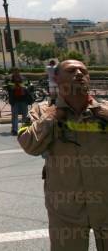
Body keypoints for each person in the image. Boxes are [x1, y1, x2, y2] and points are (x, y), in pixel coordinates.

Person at [18, 60, 108, 250]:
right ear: (56, 78)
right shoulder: (42, 111)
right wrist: (52, 116)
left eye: (83, 71)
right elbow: (28, 145)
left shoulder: (104, 110)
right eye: (71, 70)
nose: (79, 73)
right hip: (66, 208)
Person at [4, 67, 32, 136]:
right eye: (14, 71)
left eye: (17, 71)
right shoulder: (9, 79)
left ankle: (25, 129)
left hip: (23, 99)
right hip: (14, 100)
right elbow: (6, 87)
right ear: (12, 72)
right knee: (14, 116)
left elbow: (29, 86)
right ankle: (14, 130)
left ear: (19, 71)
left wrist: (25, 88)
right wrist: (13, 87)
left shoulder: (24, 79)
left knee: (25, 115)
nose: (16, 73)